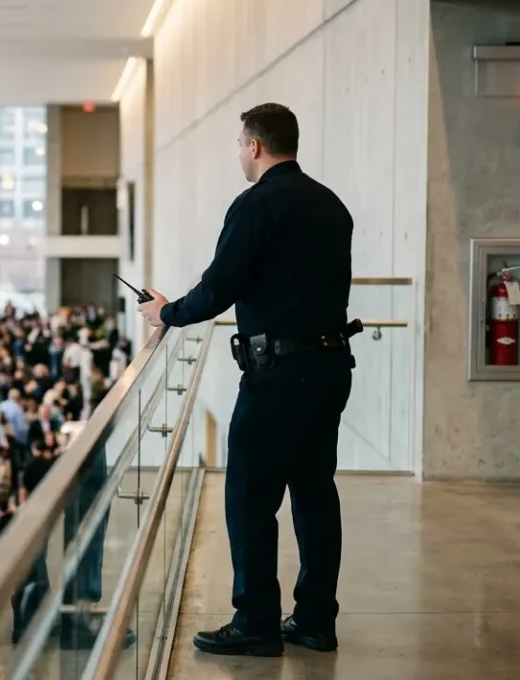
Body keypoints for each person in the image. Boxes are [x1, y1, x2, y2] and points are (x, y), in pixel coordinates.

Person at [136, 102, 354, 657]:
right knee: (314, 496)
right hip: (329, 367)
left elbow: (218, 287)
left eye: (240, 144)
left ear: (255, 146)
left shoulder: (256, 204)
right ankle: (314, 621)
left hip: (277, 374)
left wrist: (166, 312)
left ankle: (256, 621)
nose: (239, 153)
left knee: (249, 498)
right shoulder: (332, 206)